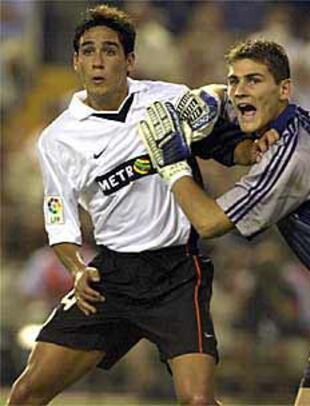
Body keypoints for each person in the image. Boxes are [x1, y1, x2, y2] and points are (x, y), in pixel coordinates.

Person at [6, 7, 272, 405]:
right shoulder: (58, 139)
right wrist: (77, 269)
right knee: (26, 393)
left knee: (197, 400)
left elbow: (219, 141)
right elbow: (59, 220)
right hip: (112, 275)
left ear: (129, 60)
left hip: (177, 272)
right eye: (88, 50)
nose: (98, 60)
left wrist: (249, 150)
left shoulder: (168, 99)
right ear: (75, 60)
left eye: (110, 50)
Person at [138, 39, 310, 406]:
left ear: (284, 89)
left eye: (254, 80)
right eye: (235, 81)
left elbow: (209, 223)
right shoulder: (282, 126)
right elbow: (221, 100)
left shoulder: (292, 155)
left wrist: (172, 166)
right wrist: (210, 97)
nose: (239, 91)